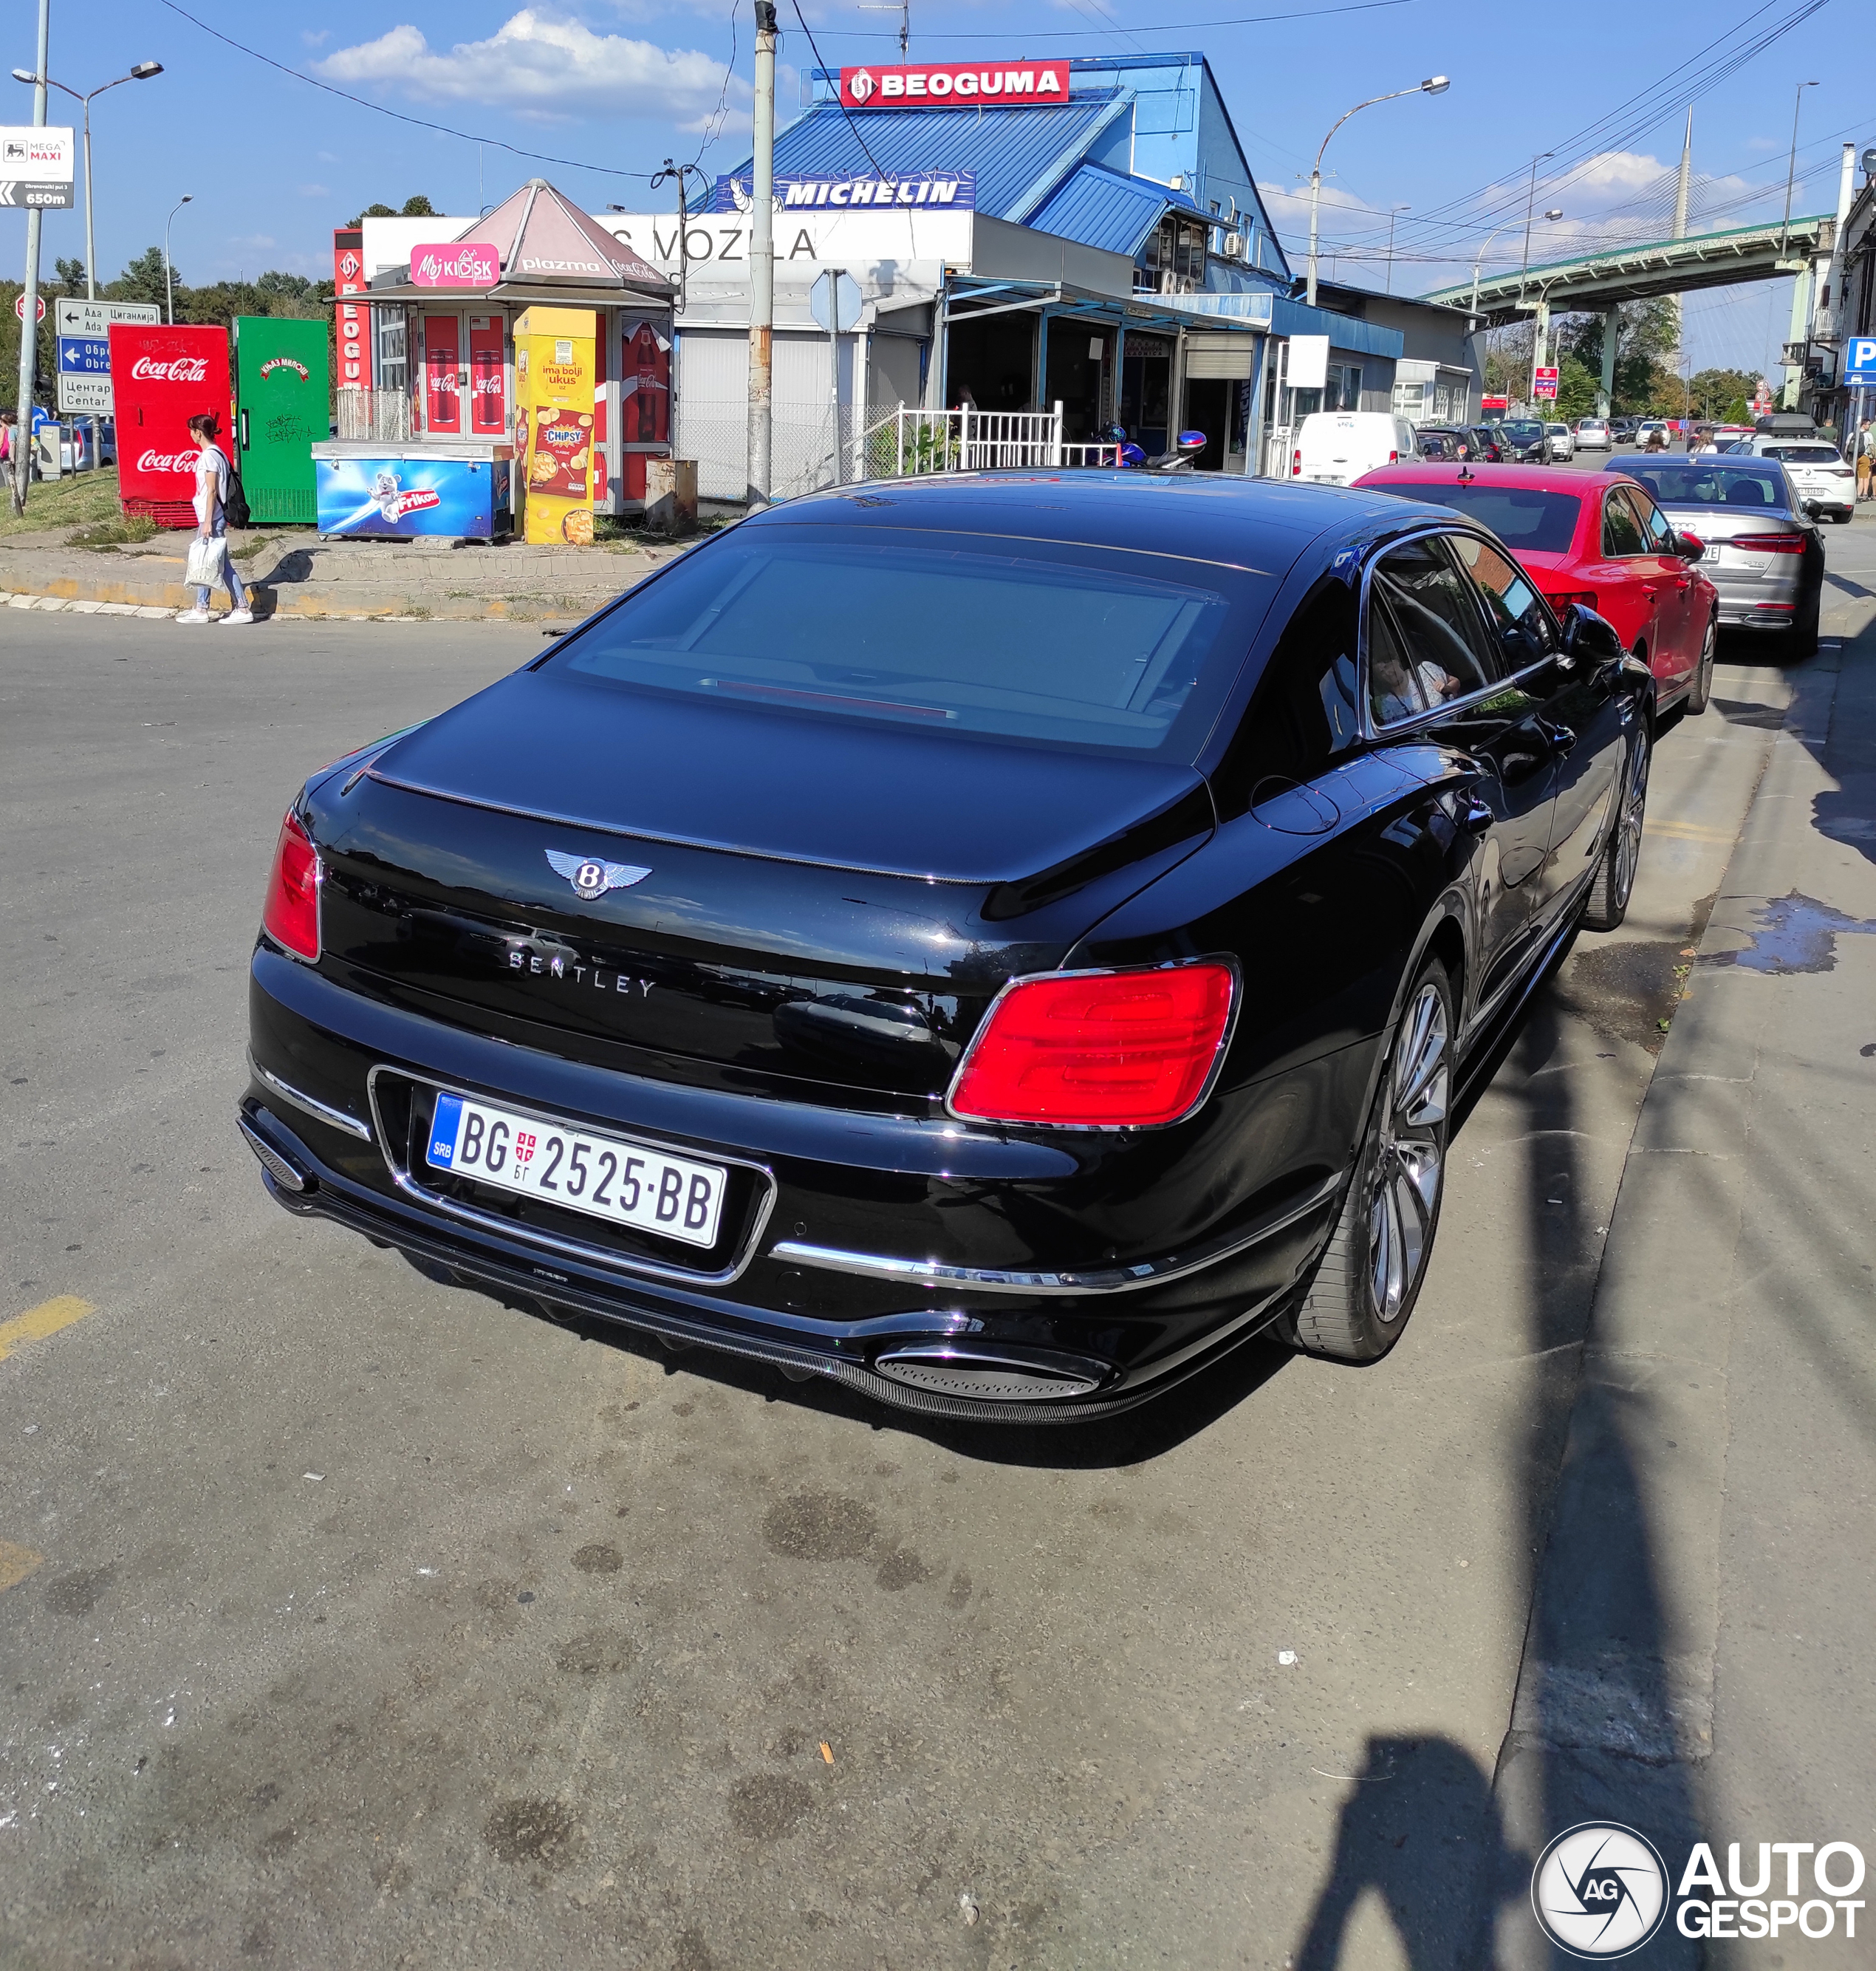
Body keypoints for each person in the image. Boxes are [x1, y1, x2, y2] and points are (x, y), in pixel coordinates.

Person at [176, 411, 253, 626]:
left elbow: (211, 491)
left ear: (198, 433)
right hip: (212, 517)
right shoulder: (218, 453)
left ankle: (241, 606)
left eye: (192, 431)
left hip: (212, 518)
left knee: (217, 564)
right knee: (206, 563)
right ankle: (202, 607)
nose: (191, 435)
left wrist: (208, 522)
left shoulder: (209, 456)